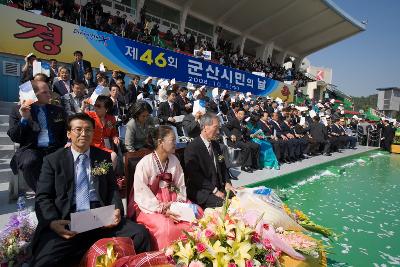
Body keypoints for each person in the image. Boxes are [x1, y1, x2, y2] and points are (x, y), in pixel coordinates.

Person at [31, 113, 151, 267]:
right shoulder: (53, 160)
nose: (83, 134)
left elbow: (113, 188)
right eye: (78, 130)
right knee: (44, 260)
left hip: (99, 216)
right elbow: (43, 197)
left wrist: (116, 210)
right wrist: (53, 222)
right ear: (69, 133)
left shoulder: (102, 157)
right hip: (68, 218)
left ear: (93, 133)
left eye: (88, 130)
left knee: (141, 234)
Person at [129, 126, 199, 250]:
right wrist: (162, 208)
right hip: (150, 205)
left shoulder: (174, 160)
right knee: (166, 227)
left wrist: (178, 205)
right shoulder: (145, 163)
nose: (175, 143)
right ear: (161, 142)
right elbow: (141, 193)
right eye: (172, 140)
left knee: (197, 214)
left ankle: (194, 252)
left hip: (173, 200)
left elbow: (180, 185)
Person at [8, 81, 67, 192]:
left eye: (49, 92)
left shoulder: (58, 110)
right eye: (45, 92)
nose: (49, 95)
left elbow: (66, 131)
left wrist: (68, 142)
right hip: (31, 148)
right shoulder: (17, 110)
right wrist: (24, 119)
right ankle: (42, 194)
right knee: (30, 161)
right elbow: (15, 137)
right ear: (33, 94)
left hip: (55, 147)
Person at [185, 113, 235, 209]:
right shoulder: (192, 148)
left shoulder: (216, 145)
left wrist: (227, 182)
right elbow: (195, 176)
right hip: (203, 191)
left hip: (219, 186)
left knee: (239, 197)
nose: (218, 132)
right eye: (215, 127)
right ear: (205, 127)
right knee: (226, 205)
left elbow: (223, 166)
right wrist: (215, 190)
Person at [85, 96, 119, 169]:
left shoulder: (111, 119)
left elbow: (113, 132)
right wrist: (83, 107)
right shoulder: (89, 115)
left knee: (114, 156)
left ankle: (108, 177)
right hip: (90, 147)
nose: (95, 107)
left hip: (103, 147)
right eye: (95, 105)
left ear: (106, 109)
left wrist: (115, 137)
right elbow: (77, 121)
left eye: (99, 106)